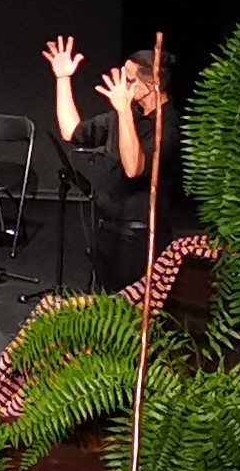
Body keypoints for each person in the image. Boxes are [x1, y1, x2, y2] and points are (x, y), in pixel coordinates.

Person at [43, 36, 177, 291]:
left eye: (129, 79)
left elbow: (133, 167)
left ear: (152, 84)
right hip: (108, 230)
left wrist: (124, 111)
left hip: (140, 239)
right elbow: (72, 132)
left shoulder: (168, 126)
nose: (121, 83)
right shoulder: (125, 114)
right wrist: (63, 79)